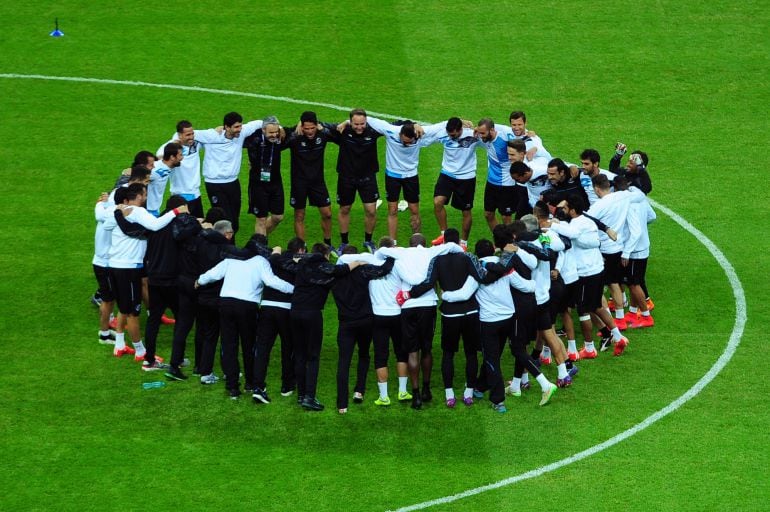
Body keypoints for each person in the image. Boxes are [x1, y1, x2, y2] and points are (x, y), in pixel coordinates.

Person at [195, 245, 294, 400]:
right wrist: (293, 289)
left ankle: (233, 387)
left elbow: (213, 274)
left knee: (229, 345)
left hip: (226, 304)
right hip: (247, 306)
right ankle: (250, 383)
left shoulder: (231, 259)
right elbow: (270, 281)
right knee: (250, 346)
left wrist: (199, 281)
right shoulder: (261, 261)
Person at [103, 183, 188, 360]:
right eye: (145, 193)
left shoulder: (116, 212)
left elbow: (107, 226)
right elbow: (156, 226)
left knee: (124, 307)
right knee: (134, 312)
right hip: (129, 267)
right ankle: (141, 351)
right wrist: (176, 212)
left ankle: (119, 344)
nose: (147, 197)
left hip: (113, 265)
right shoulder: (138, 212)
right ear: (140, 196)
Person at [378, 234, 464, 409]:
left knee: (412, 351)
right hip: (427, 304)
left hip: (407, 306)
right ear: (424, 244)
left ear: (409, 243)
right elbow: (455, 246)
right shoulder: (431, 251)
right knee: (426, 349)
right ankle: (426, 389)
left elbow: (380, 251)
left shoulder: (401, 253)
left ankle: (415, 393)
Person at [549, 194, 630, 358]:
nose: (562, 210)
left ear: (572, 210)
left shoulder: (577, 225)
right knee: (596, 306)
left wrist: (553, 224)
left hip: (585, 272)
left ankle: (589, 347)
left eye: (565, 208)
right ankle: (618, 336)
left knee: (584, 310)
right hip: (597, 268)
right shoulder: (587, 221)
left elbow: (572, 234)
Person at [291, 243, 365, 411]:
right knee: (313, 356)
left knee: (300, 355)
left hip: (295, 312)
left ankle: (301, 395)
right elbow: (341, 271)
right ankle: (309, 397)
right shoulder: (324, 266)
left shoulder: (302, 262)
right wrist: (358, 262)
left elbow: (294, 257)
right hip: (312, 313)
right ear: (325, 254)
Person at [331, 246, 395, 413]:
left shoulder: (334, 276)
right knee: (364, 355)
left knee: (343, 363)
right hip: (366, 322)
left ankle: (342, 405)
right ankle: (359, 391)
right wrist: (393, 254)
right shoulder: (363, 271)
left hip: (345, 324)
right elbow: (384, 270)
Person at [252, 237, 305, 401]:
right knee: (288, 348)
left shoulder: (273, 259)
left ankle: (258, 386)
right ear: (301, 250)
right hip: (286, 309)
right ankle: (287, 385)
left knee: (262, 348)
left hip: (267, 307)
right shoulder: (299, 264)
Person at [365, 117, 434, 244]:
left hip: (411, 176)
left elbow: (441, 127)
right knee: (392, 210)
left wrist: (462, 122)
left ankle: (417, 242)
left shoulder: (420, 133)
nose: (407, 144)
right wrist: (347, 122)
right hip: (392, 176)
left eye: (410, 142)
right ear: (400, 134)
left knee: (414, 210)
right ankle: (393, 243)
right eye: (404, 141)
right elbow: (367, 119)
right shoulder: (390, 130)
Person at [195, 112, 264, 234]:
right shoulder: (212, 135)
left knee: (235, 223)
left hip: (233, 183)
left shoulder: (241, 133)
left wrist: (279, 128)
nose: (239, 130)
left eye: (240, 126)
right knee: (225, 221)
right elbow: (184, 134)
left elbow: (259, 123)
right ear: (226, 127)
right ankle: (224, 249)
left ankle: (229, 248)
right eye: (236, 127)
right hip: (214, 184)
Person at [326, 108, 382, 254]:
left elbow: (394, 125)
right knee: (345, 209)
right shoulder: (342, 131)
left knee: (371, 211)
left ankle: (368, 241)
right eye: (356, 124)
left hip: (368, 178)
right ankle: (344, 243)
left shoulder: (373, 131)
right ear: (350, 122)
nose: (359, 127)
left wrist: (414, 125)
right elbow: (320, 125)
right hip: (346, 178)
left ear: (367, 121)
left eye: (362, 124)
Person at [424, 117, 480, 246]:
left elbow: (492, 132)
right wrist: (415, 126)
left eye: (454, 135)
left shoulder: (473, 134)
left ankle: (463, 243)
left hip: (466, 177)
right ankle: (444, 235)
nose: (451, 137)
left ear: (461, 129)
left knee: (466, 211)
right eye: (450, 135)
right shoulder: (442, 133)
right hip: (447, 173)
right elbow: (425, 132)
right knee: (438, 202)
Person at [285, 111, 334, 246]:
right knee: (299, 216)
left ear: (316, 125)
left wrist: (323, 127)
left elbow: (337, 132)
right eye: (306, 128)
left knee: (327, 214)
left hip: (317, 182)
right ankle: (302, 247)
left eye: (312, 128)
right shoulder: (295, 137)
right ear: (301, 126)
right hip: (299, 182)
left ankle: (327, 245)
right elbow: (278, 137)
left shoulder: (322, 134)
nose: (310, 131)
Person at [615, 176, 656, 328]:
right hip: (642, 246)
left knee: (633, 284)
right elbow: (652, 216)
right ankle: (632, 312)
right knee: (634, 281)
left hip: (634, 250)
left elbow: (636, 231)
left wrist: (626, 252)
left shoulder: (627, 205)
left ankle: (646, 316)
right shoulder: (640, 198)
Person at [244, 116, 288, 235]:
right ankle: (260, 246)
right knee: (261, 219)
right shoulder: (253, 138)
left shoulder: (281, 135)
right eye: (271, 132)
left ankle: (258, 240)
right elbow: (233, 135)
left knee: (278, 217)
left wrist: (281, 128)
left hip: (275, 183)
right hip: (258, 184)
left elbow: (300, 128)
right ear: (263, 130)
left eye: (276, 131)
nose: (274, 135)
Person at [474, 118, 518, 230]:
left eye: (483, 133)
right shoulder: (485, 137)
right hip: (491, 182)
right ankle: (500, 239)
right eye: (480, 133)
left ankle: (509, 243)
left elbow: (520, 145)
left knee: (506, 217)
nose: (481, 136)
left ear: (492, 130)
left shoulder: (504, 139)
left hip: (507, 184)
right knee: (488, 214)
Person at [157, 120, 205, 218]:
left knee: (199, 227)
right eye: (188, 135)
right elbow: (158, 157)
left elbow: (211, 137)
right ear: (179, 135)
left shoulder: (196, 143)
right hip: (179, 196)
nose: (191, 137)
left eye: (192, 134)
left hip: (196, 194)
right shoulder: (169, 147)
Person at [146, 143, 184, 216]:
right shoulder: (156, 171)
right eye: (180, 155)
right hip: (149, 210)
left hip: (155, 208)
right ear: (172, 157)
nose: (182, 158)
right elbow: (138, 178)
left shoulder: (164, 166)